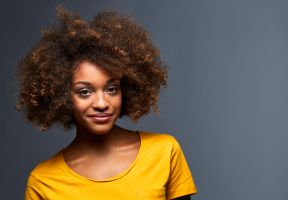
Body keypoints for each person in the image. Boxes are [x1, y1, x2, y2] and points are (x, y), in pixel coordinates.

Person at [16, 6, 197, 200]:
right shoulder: (44, 181)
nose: (102, 103)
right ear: (63, 97)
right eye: (85, 92)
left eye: (111, 89)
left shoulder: (164, 151)